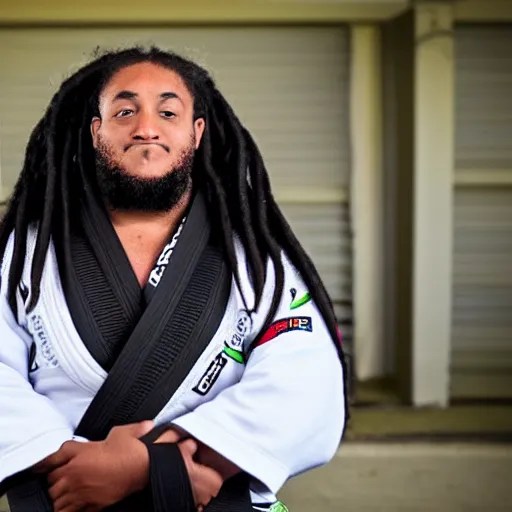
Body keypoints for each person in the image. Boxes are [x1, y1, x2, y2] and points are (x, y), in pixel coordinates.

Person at [0, 46, 348, 512]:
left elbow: (305, 381)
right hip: (71, 493)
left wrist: (146, 468)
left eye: (168, 111)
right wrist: (75, 463)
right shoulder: (29, 251)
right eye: (125, 111)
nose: (146, 127)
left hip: (209, 495)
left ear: (196, 131)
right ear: (95, 130)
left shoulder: (256, 257)